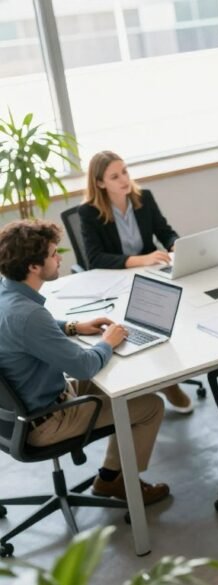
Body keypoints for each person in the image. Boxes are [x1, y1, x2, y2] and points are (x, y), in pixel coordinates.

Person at [0, 220, 170, 504]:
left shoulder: (8, 296)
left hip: (20, 412)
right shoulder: (30, 315)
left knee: (120, 384)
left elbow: (30, 330)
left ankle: (109, 476)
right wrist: (108, 342)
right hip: (46, 421)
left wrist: (74, 327)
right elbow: (83, 366)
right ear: (33, 267)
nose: (59, 259)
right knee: (150, 406)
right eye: (53, 254)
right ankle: (120, 484)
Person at [78, 150, 194, 414]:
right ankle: (154, 384)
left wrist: (176, 245)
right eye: (115, 176)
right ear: (99, 183)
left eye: (125, 171)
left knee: (167, 321)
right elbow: (94, 259)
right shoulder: (88, 212)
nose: (124, 180)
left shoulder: (144, 198)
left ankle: (167, 378)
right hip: (115, 283)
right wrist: (140, 260)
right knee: (137, 327)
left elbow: (164, 231)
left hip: (150, 276)